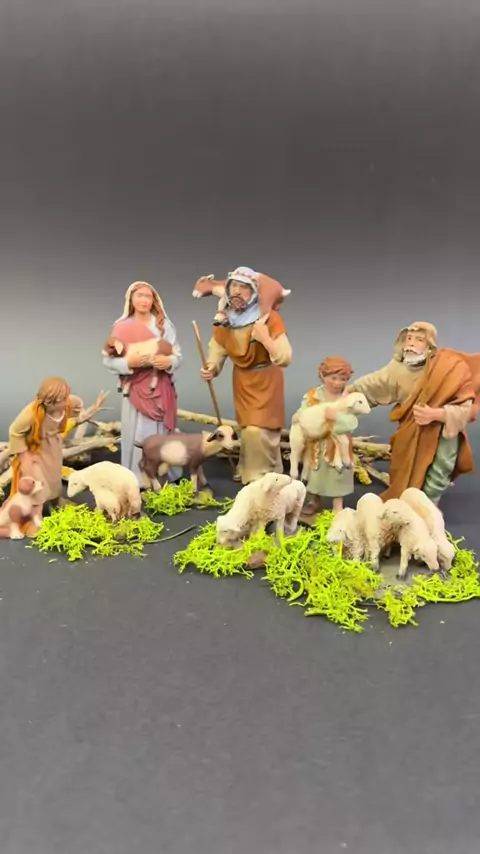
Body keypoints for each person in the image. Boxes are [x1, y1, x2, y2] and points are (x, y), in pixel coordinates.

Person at [347, 321, 480, 504]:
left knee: (439, 468)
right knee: (402, 468)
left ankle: (429, 505)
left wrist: (436, 415)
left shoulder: (451, 368)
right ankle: (407, 500)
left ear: (430, 345)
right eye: (409, 338)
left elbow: (467, 410)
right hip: (410, 430)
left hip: (442, 432)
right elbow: (373, 384)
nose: (411, 343)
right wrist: (346, 392)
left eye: (419, 339)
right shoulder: (398, 369)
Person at [199, 266, 292, 484]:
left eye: (244, 288)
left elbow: (285, 357)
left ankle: (260, 476)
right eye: (234, 286)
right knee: (248, 429)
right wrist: (211, 368)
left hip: (266, 379)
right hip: (242, 381)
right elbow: (217, 350)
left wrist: (265, 339)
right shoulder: (225, 320)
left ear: (254, 292)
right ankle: (250, 467)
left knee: (258, 430)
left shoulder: (268, 319)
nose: (237, 292)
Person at [103, 281, 183, 485]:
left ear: (154, 300)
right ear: (131, 298)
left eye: (148, 296)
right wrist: (129, 363)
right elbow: (108, 360)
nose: (144, 300)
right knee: (137, 432)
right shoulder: (121, 326)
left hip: (160, 388)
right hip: (135, 388)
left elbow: (177, 356)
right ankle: (137, 476)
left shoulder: (163, 325)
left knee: (160, 431)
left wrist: (168, 362)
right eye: (139, 295)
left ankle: (163, 474)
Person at [8, 377, 84, 536]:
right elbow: (15, 431)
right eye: (62, 399)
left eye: (65, 397)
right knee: (37, 482)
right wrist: (23, 454)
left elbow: (76, 407)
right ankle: (34, 518)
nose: (66, 401)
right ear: (49, 402)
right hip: (36, 451)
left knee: (54, 476)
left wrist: (74, 404)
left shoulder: (66, 404)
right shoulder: (31, 414)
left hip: (53, 447)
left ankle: (56, 501)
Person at [298, 357, 359, 516]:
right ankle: (314, 500)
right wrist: (300, 417)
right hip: (318, 441)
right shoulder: (313, 396)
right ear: (322, 375)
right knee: (316, 472)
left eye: (342, 379)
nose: (337, 383)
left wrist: (337, 418)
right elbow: (304, 413)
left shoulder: (347, 399)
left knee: (338, 473)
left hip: (338, 444)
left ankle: (337, 505)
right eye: (333, 378)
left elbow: (352, 422)